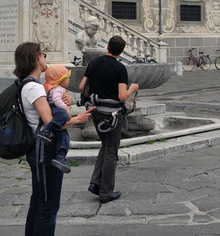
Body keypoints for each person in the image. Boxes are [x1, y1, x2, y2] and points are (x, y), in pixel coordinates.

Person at [15, 42, 91, 236]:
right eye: (43, 55)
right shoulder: (35, 88)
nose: (45, 58)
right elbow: (51, 122)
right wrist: (77, 119)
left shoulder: (29, 86)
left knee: (40, 199)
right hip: (46, 150)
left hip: (37, 149)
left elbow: (51, 110)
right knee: (48, 206)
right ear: (35, 59)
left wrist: (66, 100)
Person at [78, 36, 139, 204]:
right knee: (112, 151)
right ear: (121, 51)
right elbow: (121, 96)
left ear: (107, 46)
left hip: (96, 112)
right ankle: (105, 192)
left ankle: (95, 183)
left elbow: (82, 87)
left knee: (105, 146)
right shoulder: (120, 68)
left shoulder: (94, 63)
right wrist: (132, 88)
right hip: (112, 115)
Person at [41, 64, 73, 173]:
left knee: (64, 137)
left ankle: (60, 157)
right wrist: (66, 109)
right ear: (59, 79)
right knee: (63, 115)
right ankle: (46, 131)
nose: (69, 80)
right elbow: (56, 100)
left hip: (57, 110)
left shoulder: (58, 89)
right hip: (56, 110)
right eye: (67, 78)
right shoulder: (58, 89)